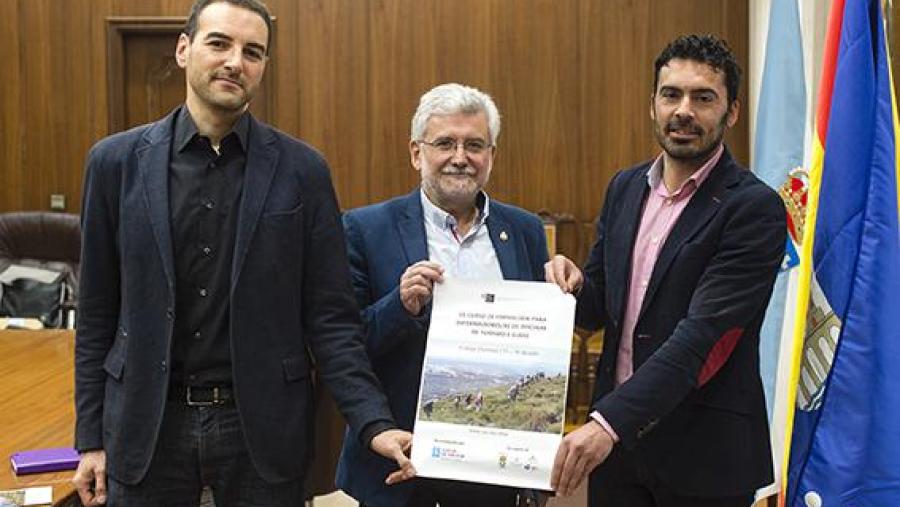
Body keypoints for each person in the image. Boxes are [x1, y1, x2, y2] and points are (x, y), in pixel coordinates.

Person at [71, 1, 414, 505]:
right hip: (148, 422)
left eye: (252, 52)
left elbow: (331, 319)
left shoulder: (303, 171)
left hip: (260, 426)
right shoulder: (114, 163)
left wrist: (373, 421)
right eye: (219, 43)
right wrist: (91, 438)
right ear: (184, 50)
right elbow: (97, 313)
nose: (235, 61)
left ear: (263, 68)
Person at [546, 34, 785, 506]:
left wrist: (607, 423)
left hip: (703, 454)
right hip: (619, 453)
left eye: (703, 98)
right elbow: (599, 307)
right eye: (671, 94)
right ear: (653, 104)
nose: (684, 111)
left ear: (731, 112)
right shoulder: (625, 187)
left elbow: (701, 335)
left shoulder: (754, 208)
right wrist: (571, 287)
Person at [334, 83, 549, 507]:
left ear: (491, 155)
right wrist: (399, 306)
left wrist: (565, 288)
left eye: (474, 145)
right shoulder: (364, 228)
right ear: (417, 153)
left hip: (492, 473)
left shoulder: (524, 231)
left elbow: (537, 344)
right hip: (397, 466)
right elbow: (343, 346)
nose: (460, 157)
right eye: (445, 143)